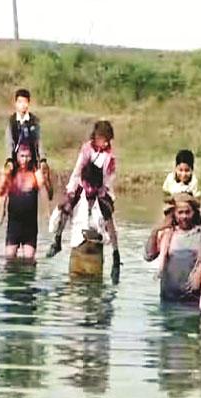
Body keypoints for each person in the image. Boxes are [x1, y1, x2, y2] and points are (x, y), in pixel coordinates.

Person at [46, 120, 121, 284]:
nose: (105, 142)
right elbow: (78, 170)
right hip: (83, 180)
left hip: (101, 186)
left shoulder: (110, 156)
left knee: (106, 213)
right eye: (103, 138)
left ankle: (114, 256)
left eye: (108, 139)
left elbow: (109, 178)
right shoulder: (87, 149)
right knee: (67, 206)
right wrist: (72, 190)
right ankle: (57, 241)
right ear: (95, 136)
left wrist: (105, 194)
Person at [145, 149, 201, 262]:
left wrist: (186, 199)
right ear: (175, 168)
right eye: (180, 170)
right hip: (171, 212)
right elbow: (165, 197)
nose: (183, 174)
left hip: (189, 210)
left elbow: (197, 201)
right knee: (166, 234)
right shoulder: (170, 179)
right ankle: (162, 259)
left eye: (187, 171)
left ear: (192, 170)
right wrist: (175, 200)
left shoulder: (194, 181)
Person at [0, 143, 45, 262]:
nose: (25, 159)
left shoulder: (35, 174)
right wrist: (4, 176)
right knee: (9, 259)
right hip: (14, 225)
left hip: (30, 226)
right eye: (22, 156)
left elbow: (46, 190)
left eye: (28, 156)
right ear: (17, 157)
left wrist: (42, 170)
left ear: (32, 157)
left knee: (29, 261)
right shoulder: (12, 175)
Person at [155, 193, 201, 303]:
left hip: (193, 297)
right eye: (180, 212)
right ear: (174, 214)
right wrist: (156, 230)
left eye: (187, 212)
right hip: (169, 296)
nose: (184, 216)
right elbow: (148, 255)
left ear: (194, 212)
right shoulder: (167, 233)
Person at [5, 88, 52, 200]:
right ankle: (3, 214)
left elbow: (39, 141)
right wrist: (9, 160)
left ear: (28, 103)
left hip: (32, 161)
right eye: (20, 102)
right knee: (5, 184)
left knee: (41, 182)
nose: (23, 105)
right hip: (16, 161)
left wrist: (42, 159)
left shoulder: (34, 121)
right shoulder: (11, 121)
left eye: (25, 102)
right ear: (16, 103)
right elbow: (9, 142)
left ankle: (47, 213)